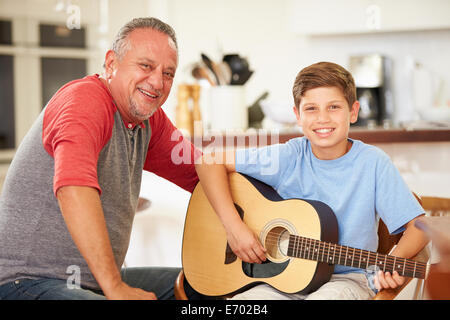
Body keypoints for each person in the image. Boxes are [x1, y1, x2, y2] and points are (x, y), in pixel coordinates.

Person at [0, 17, 203, 300]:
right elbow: (74, 188)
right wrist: (115, 288)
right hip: (26, 281)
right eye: (146, 66)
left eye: (168, 73)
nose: (157, 81)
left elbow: (201, 173)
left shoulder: (148, 121)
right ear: (111, 64)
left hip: (92, 281)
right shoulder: (85, 100)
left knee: (206, 287)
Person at [194, 61, 429, 299]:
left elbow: (420, 227)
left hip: (348, 280)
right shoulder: (289, 156)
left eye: (334, 107)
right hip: (281, 280)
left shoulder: (373, 163)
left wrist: (393, 262)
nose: (322, 118)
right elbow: (208, 161)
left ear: (354, 111)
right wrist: (234, 227)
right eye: (311, 109)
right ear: (297, 115)